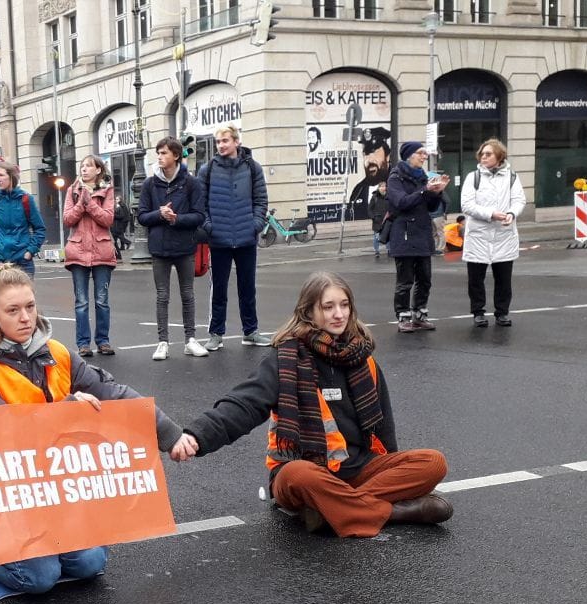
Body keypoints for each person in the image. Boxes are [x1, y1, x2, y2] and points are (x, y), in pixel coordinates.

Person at [0, 264, 185, 593]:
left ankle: (51, 540)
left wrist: (170, 434)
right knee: (40, 577)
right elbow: (4, 435)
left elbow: (114, 393)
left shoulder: (56, 353)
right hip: (2, 496)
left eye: (30, 307)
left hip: (50, 491)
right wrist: (68, 413)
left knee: (91, 563)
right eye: (13, 310)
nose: (25, 318)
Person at [170, 271, 453, 538]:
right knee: (298, 474)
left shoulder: (364, 360)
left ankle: (334, 509)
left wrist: (395, 473)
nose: (339, 314)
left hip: (357, 469)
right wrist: (196, 436)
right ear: (309, 312)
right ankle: (391, 512)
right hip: (305, 471)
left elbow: (384, 428)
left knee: (433, 462)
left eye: (344, 305)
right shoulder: (286, 359)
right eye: (328, 307)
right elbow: (243, 405)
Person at [197, 123, 273, 350]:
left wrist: (255, 225)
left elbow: (261, 200)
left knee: (247, 288)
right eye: (218, 142)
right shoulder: (207, 170)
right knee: (218, 289)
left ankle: (250, 331)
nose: (221, 145)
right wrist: (209, 227)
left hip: (246, 238)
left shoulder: (253, 168)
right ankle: (216, 334)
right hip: (218, 240)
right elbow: (200, 205)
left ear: (236, 142)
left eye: (225, 141)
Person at [138, 137, 208, 361]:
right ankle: (163, 342)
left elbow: (199, 216)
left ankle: (190, 340)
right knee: (162, 296)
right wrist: (160, 214)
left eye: (164, 153)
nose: (159, 157)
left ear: (176, 156)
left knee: (187, 294)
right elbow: (141, 217)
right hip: (159, 249)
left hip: (184, 246)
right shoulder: (149, 184)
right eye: (158, 153)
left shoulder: (191, 183)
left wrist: (176, 219)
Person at [460, 139, 527, 328]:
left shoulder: (512, 177)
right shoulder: (473, 177)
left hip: (504, 235)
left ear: (499, 156)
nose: (484, 157)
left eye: (488, 154)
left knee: (504, 278)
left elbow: (519, 200)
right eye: (482, 154)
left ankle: (502, 312)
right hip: (479, 235)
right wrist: (491, 214)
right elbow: (467, 205)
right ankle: (478, 312)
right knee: (476, 279)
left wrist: (512, 214)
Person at [386, 141, 449, 333]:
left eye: (425, 153)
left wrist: (437, 193)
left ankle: (420, 314)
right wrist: (425, 191)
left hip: (422, 233)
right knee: (405, 280)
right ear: (409, 155)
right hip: (403, 233)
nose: (424, 157)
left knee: (425, 278)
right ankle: (403, 316)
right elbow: (401, 202)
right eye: (421, 153)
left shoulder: (423, 177)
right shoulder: (395, 177)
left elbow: (429, 207)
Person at [63, 154, 118, 357]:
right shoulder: (72, 190)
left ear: (98, 170)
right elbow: (68, 219)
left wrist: (90, 204)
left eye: (88, 166)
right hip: (78, 251)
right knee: (82, 302)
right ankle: (83, 344)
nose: (84, 169)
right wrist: (81, 204)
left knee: (102, 300)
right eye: (82, 166)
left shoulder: (107, 190)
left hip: (101, 251)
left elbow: (108, 219)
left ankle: (103, 341)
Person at [0, 161, 47, 276]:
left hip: (23, 262)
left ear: (11, 176)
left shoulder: (26, 199)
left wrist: (30, 252)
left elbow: (40, 229)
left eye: (1, 175)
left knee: (23, 294)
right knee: (1, 294)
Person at [345, 127, 393, 222]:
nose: (369, 160)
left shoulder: (396, 183)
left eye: (374, 152)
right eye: (366, 154)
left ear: (387, 156)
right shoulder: (358, 190)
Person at [368, 181, 389, 258]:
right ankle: (376, 251)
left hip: (387, 219)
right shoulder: (375, 197)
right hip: (378, 220)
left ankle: (389, 250)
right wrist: (373, 217)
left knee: (388, 235)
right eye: (382, 186)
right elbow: (370, 209)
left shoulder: (389, 195)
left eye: (385, 186)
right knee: (376, 237)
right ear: (379, 188)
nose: (384, 188)